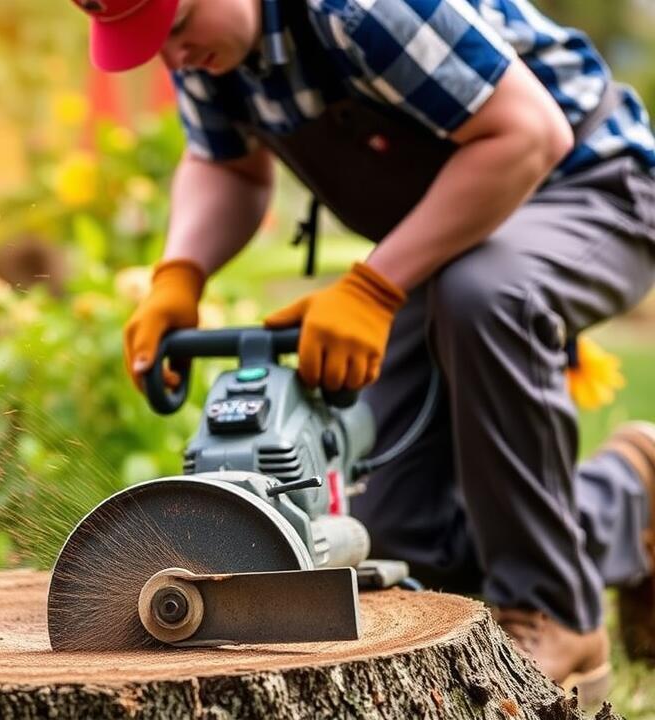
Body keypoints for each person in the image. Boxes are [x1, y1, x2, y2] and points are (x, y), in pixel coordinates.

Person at [67, 0, 655, 701]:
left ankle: (557, 612)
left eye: (175, 30)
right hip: (459, 226)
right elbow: (227, 166)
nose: (172, 57)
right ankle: (632, 496)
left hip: (591, 183)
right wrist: (179, 273)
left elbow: (528, 135)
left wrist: (375, 289)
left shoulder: (356, 9)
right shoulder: (211, 45)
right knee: (411, 546)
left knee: (486, 293)